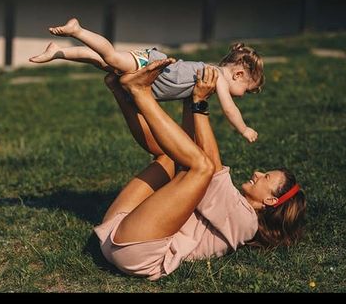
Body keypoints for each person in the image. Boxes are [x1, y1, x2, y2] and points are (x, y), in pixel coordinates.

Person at [92, 59, 306, 281]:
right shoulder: (232, 205)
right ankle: (120, 89)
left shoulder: (246, 223)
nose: (257, 173)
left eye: (266, 177)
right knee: (171, 157)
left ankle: (139, 91)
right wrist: (190, 96)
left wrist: (200, 103)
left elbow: (211, 168)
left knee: (202, 167)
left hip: (138, 252)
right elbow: (186, 149)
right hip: (117, 231)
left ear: (271, 201)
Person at [29, 18, 265, 143]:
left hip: (154, 74)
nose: (243, 95)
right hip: (153, 66)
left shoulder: (209, 77)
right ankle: (78, 31)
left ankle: (58, 51)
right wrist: (244, 129)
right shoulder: (219, 78)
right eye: (247, 89)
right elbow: (230, 109)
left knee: (101, 63)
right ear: (239, 75)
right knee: (110, 56)